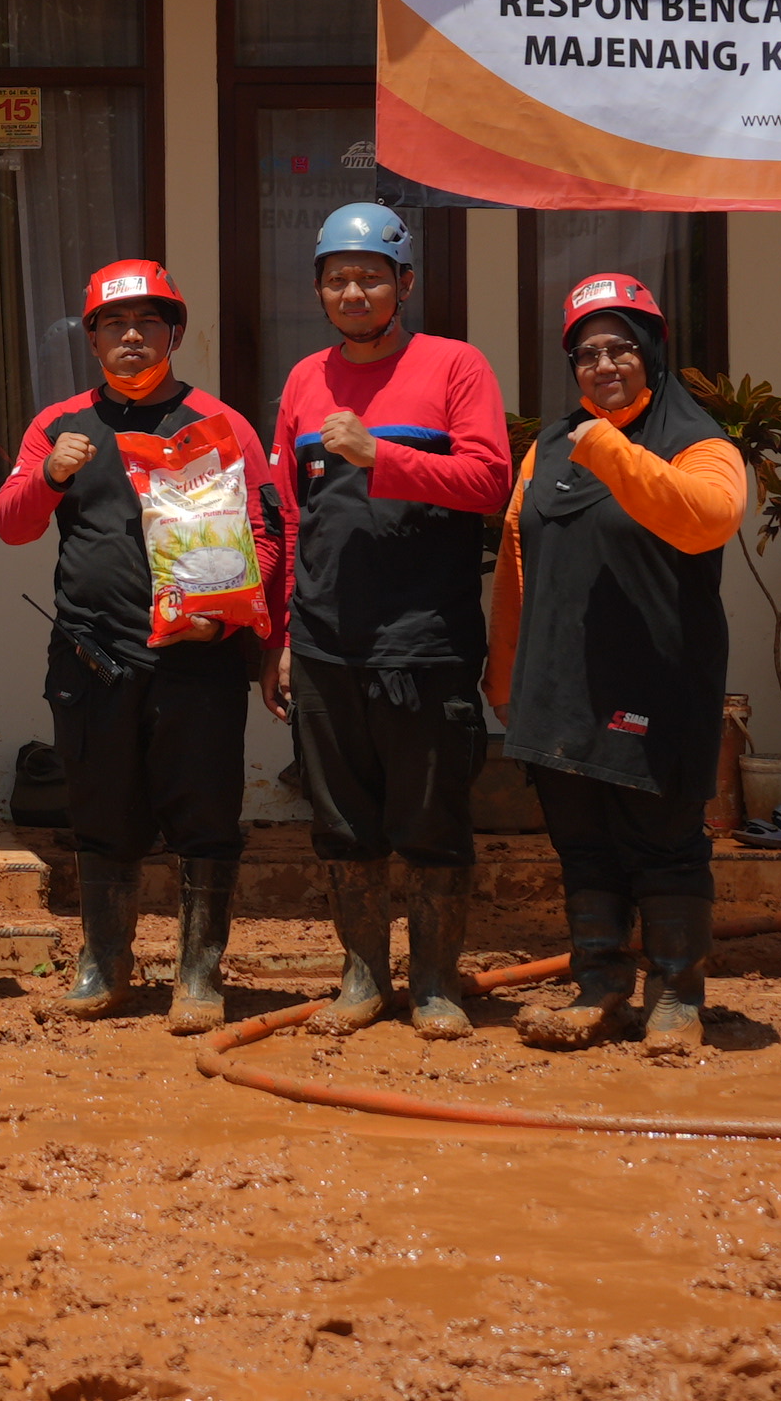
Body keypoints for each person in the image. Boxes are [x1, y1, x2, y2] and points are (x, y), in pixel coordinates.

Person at [0, 260, 291, 1034]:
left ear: (175, 333)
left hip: (198, 658)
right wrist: (49, 476)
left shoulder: (220, 426)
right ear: (91, 337)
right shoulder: (59, 425)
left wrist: (226, 622)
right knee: (101, 812)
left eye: (148, 323)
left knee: (205, 814)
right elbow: (12, 523)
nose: (132, 336)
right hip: (93, 658)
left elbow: (264, 536)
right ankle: (104, 964)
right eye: (115, 324)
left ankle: (199, 974)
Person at [263, 204, 514, 1039]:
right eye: (338, 276)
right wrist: (289, 638)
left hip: (424, 640)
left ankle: (436, 983)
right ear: (319, 290)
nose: (354, 289)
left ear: (404, 283)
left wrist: (384, 455)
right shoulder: (304, 381)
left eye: (371, 274)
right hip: (329, 639)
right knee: (342, 823)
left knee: (433, 817)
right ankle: (364, 979)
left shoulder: (455, 366)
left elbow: (487, 483)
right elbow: (294, 519)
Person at [491, 273, 745, 1057]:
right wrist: (506, 674)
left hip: (657, 683)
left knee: (665, 840)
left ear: (652, 353)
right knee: (584, 844)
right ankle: (600, 985)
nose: (604, 366)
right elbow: (516, 556)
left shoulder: (701, 442)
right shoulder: (549, 447)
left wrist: (609, 448)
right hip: (561, 683)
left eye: (620, 349)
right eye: (587, 354)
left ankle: (675, 993)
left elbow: (708, 520)